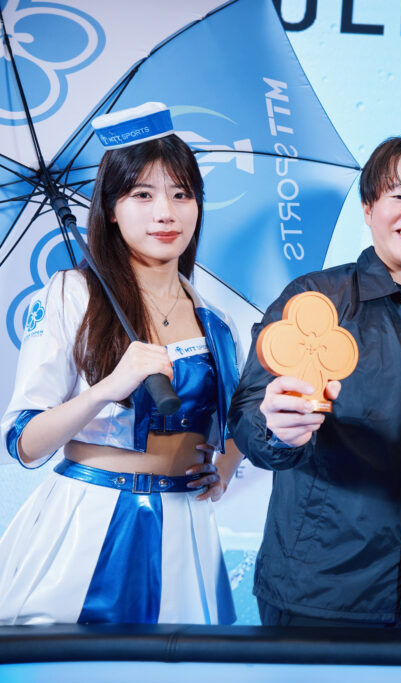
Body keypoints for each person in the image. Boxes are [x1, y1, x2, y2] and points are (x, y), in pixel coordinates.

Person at [228, 133, 401, 628]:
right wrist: (276, 430)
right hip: (314, 593)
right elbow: (249, 414)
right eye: (398, 195)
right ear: (368, 207)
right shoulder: (316, 300)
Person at [0, 103, 242, 625]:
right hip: (88, 524)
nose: (166, 213)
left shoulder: (215, 319)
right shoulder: (71, 296)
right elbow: (23, 442)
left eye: (182, 194)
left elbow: (239, 419)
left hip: (187, 533)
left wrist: (222, 471)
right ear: (111, 208)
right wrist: (107, 388)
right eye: (143, 194)